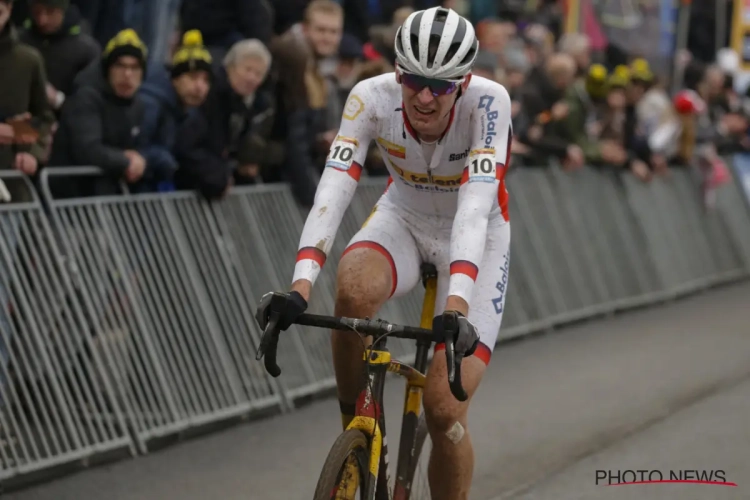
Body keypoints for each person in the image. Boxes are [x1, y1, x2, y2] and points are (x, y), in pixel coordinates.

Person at [256, 7, 512, 499]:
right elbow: (333, 189)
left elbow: (475, 209)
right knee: (352, 287)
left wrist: (456, 306)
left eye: (440, 85)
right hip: (405, 218)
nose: (424, 95)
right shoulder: (369, 98)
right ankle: (356, 429)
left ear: (464, 81)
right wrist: (299, 285)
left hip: (478, 237)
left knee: (443, 410)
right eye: (413, 79)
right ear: (397, 72)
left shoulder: (490, 103)